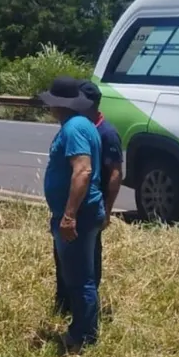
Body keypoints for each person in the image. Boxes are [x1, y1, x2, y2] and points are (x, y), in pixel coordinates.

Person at [38, 76, 106, 352]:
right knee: (79, 276)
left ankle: (82, 335)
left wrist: (68, 216)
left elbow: (83, 170)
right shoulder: (80, 125)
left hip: (80, 214)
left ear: (58, 104)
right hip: (79, 212)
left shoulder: (75, 128)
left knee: (79, 278)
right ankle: (84, 328)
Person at [76, 80, 123, 302]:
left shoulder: (106, 133)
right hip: (76, 202)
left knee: (90, 257)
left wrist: (108, 209)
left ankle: (89, 303)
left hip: (94, 203)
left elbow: (115, 174)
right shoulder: (80, 128)